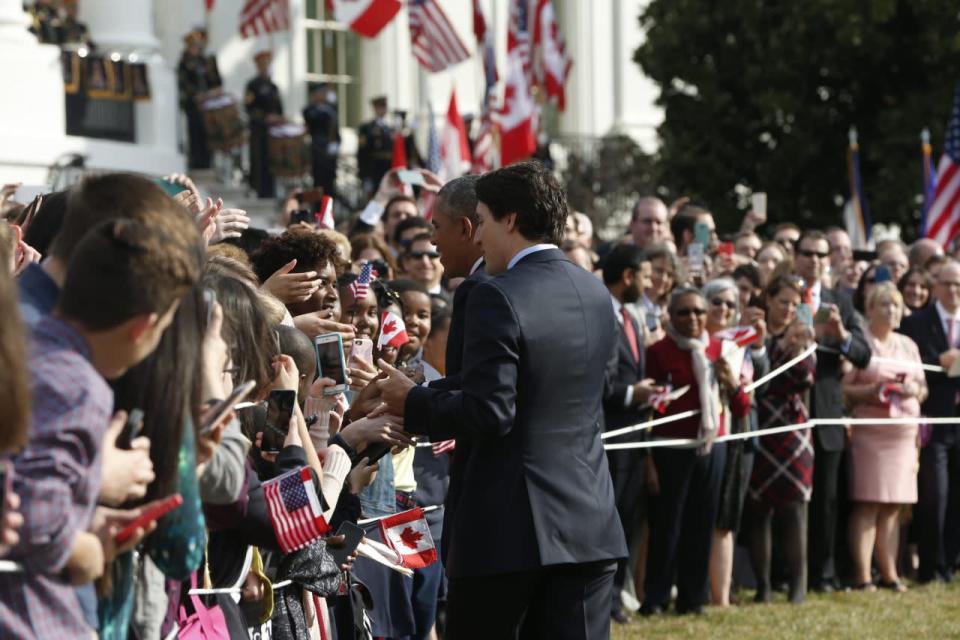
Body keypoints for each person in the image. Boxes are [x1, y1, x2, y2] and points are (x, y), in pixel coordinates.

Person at [377, 161, 626, 639]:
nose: (480, 237)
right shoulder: (594, 292)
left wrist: (412, 402)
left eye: (485, 222)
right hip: (590, 523)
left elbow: (490, 411)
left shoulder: (498, 295)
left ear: (509, 220)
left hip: (507, 532)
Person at [0, 219, 200, 637]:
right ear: (144, 327)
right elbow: (33, 521)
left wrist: (88, 516)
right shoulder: (80, 386)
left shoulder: (31, 346)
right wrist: (89, 548)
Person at [641, 286, 750, 616]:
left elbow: (742, 406)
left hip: (710, 446)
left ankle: (692, 597)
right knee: (667, 524)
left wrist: (729, 380)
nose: (693, 319)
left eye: (699, 312)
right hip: (670, 448)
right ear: (671, 316)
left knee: (702, 524)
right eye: (684, 312)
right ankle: (657, 598)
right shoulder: (659, 351)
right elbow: (649, 407)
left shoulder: (719, 348)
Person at [792, 230, 871, 593]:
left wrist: (840, 338)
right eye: (807, 253)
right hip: (784, 411)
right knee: (786, 499)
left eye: (821, 254)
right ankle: (785, 574)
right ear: (796, 257)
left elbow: (864, 354)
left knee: (826, 498)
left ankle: (822, 574)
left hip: (826, 409)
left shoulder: (842, 300)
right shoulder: (783, 296)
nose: (815, 260)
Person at [842, 283, 926, 592]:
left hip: (904, 432)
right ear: (870, 309)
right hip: (871, 432)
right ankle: (863, 575)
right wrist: (872, 391)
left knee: (894, 506)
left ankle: (890, 572)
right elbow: (844, 388)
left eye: (895, 305)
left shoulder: (907, 345)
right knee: (869, 503)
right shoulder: (860, 343)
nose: (890, 311)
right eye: (883, 305)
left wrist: (914, 390)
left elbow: (923, 385)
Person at [601, 244, 663, 623]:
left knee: (626, 517)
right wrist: (630, 393)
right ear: (627, 276)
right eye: (644, 275)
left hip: (634, 437)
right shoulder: (601, 316)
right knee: (609, 520)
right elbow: (600, 381)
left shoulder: (630, 316)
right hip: (609, 436)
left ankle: (616, 598)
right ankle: (603, 601)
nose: (649, 283)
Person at [747, 274, 817, 604]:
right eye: (783, 301)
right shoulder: (754, 333)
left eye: (794, 303)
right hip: (759, 421)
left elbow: (806, 378)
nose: (788, 308)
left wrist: (798, 345)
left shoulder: (801, 337)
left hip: (792, 429)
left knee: (794, 509)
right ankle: (763, 586)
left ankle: (798, 587)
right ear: (768, 300)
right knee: (759, 508)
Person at [703, 277, 767, 607]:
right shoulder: (693, 341)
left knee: (725, 520)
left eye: (731, 304)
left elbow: (749, 398)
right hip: (696, 439)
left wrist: (732, 383)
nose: (724, 309)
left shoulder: (741, 348)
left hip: (734, 437)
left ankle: (721, 595)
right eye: (717, 302)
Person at [900, 259, 960, 583]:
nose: (953, 290)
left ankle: (951, 562)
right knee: (935, 494)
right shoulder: (918, 323)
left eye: (958, 285)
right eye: (947, 283)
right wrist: (938, 362)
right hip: (933, 420)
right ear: (936, 287)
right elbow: (908, 361)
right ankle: (930, 566)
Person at [177, 28, 221, 170]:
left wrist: (211, 92)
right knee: (194, 133)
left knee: (207, 134)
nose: (196, 48)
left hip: (207, 106)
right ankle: (196, 162)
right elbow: (183, 82)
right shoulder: (184, 63)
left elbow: (214, 81)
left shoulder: (205, 61)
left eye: (198, 45)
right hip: (193, 104)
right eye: (193, 45)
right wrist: (196, 94)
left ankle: (208, 162)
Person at [244, 50, 283, 199]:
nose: (266, 68)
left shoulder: (274, 87)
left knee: (271, 161)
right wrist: (265, 118)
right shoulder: (253, 85)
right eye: (263, 65)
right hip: (259, 129)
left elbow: (279, 108)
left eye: (268, 64)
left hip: (273, 131)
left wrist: (278, 118)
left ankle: (270, 191)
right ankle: (258, 189)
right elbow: (249, 107)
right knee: (258, 158)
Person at [302, 83, 340, 198]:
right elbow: (311, 119)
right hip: (318, 146)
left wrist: (336, 143)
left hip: (330, 148)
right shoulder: (311, 109)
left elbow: (335, 128)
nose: (324, 95)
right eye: (321, 92)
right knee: (318, 180)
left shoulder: (331, 108)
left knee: (330, 180)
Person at [357, 96, 394, 198]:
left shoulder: (390, 128)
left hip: (387, 169)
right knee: (373, 199)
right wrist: (363, 174)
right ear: (375, 108)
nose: (382, 110)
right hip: (372, 169)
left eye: (384, 107)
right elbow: (362, 151)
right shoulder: (366, 128)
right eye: (380, 107)